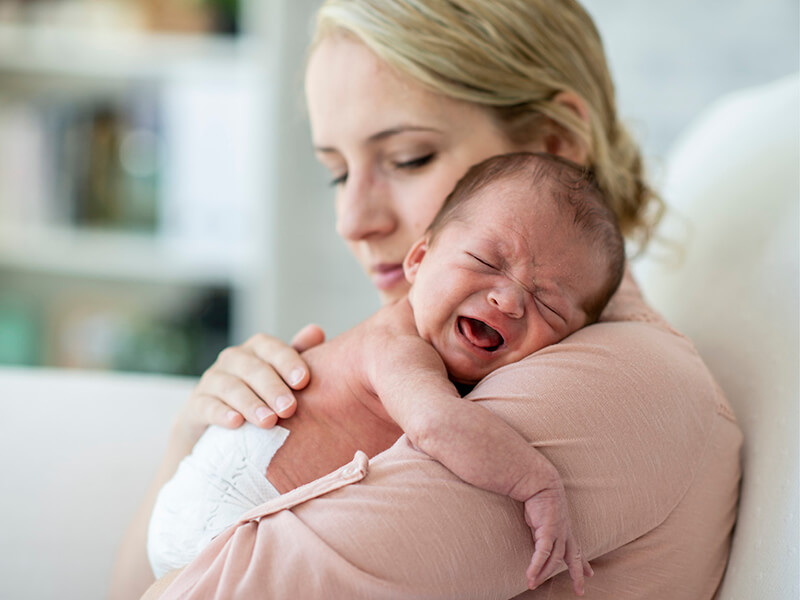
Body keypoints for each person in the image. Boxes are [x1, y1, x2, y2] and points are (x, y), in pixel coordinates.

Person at [112, 1, 742, 598]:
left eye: (408, 158)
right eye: (337, 171)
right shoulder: (456, 358)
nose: (352, 220)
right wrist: (197, 434)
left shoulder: (618, 384)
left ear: (552, 147)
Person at [147, 151, 622, 593]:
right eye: (485, 262)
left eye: (548, 305)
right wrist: (538, 483)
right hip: (220, 514)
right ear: (418, 260)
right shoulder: (395, 345)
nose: (510, 300)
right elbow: (436, 425)